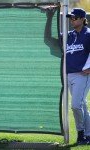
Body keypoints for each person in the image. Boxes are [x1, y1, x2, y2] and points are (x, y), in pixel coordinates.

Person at [45, 7, 90, 145]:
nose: (72, 19)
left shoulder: (88, 34)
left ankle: (81, 134)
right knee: (81, 105)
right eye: (71, 17)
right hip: (69, 75)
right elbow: (48, 40)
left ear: (83, 19)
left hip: (82, 75)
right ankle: (88, 135)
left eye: (75, 17)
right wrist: (49, 18)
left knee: (76, 105)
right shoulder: (68, 35)